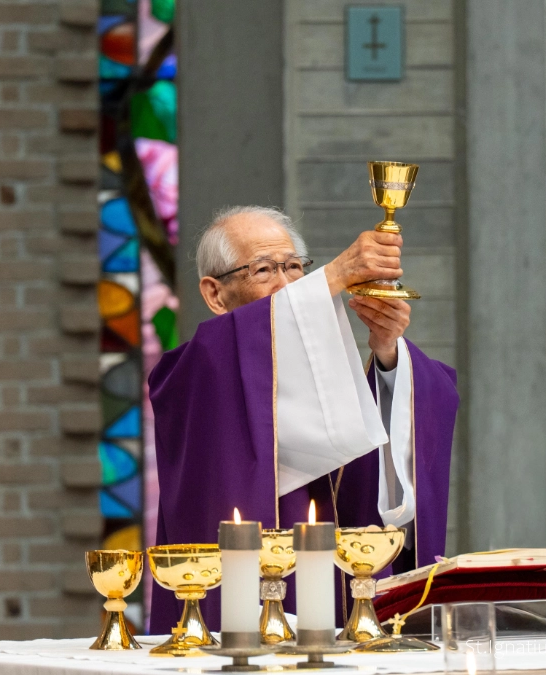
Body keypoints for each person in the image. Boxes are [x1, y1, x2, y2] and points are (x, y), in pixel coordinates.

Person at [148, 205, 458, 632]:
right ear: (215, 294)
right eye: (263, 270)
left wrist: (388, 354)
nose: (288, 282)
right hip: (241, 615)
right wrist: (334, 274)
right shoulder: (192, 372)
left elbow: (378, 435)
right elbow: (240, 358)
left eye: (295, 267)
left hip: (341, 597)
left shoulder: (331, 367)